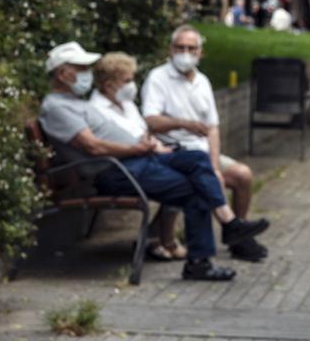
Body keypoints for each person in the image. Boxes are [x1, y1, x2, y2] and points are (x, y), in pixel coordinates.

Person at [39, 42, 269, 281]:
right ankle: (201, 260)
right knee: (196, 189)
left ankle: (230, 225)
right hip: (116, 170)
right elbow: (93, 146)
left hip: (138, 159)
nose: (87, 73)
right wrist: (136, 148)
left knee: (197, 159)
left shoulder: (77, 102)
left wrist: (145, 147)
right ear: (63, 73)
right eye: (81, 68)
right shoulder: (56, 107)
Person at [142, 26, 267, 262]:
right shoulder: (158, 78)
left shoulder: (202, 81)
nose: (185, 53)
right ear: (170, 50)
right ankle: (228, 233)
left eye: (191, 48)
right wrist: (183, 124)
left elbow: (212, 129)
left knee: (242, 175)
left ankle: (236, 234)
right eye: (180, 48)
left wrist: (215, 166)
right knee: (200, 181)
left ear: (201, 52)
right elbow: (151, 120)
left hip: (202, 152)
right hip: (174, 152)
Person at [89, 52, 185, 261]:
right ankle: (164, 238)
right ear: (108, 84)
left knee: (189, 165)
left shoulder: (127, 105)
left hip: (144, 158)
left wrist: (155, 145)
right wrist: (147, 146)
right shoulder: (96, 110)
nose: (132, 85)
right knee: (184, 179)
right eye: (127, 80)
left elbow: (142, 132)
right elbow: (116, 143)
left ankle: (158, 236)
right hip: (123, 168)